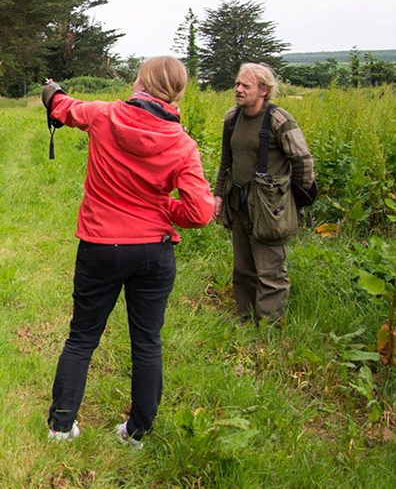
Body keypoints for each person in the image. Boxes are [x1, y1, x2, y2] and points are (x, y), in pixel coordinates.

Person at [41, 56, 215, 447]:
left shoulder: (105, 115)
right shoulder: (183, 143)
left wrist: (53, 92)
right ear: (178, 92)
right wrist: (163, 207)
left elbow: (64, 108)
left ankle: (61, 427)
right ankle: (137, 432)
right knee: (147, 342)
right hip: (153, 252)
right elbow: (201, 213)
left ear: (141, 82)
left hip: (101, 245)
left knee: (82, 338)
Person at [213, 63, 315, 326]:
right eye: (237, 84)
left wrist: (295, 197)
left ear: (264, 90)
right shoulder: (231, 118)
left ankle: (268, 327)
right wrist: (218, 195)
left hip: (270, 207)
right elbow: (227, 161)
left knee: (270, 271)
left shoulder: (280, 120)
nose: (238, 89)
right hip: (239, 203)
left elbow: (303, 160)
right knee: (243, 267)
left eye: (245, 85)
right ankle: (245, 319)